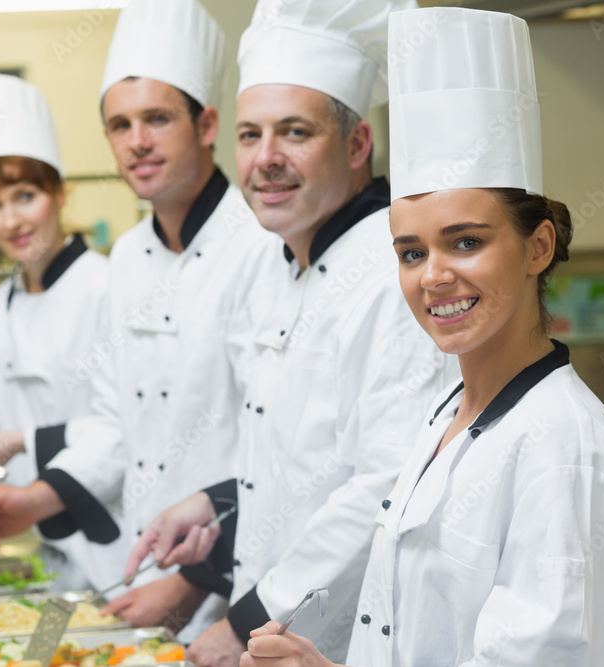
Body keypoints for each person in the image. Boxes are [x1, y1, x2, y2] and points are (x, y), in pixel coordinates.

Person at [240, 8, 604, 667]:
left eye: (467, 241)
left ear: (538, 246)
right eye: (411, 252)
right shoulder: (447, 414)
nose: (436, 275)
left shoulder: (562, 453)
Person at [112, 1, 456, 665]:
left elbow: (386, 487)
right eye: (249, 135)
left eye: (295, 132)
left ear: (357, 145)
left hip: (340, 640)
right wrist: (213, 506)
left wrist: (246, 621)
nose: (266, 158)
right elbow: (292, 467)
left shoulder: (397, 274)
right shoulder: (276, 268)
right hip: (274, 629)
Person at [0, 0, 275, 638]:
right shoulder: (129, 256)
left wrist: (194, 584)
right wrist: (32, 500)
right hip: (134, 566)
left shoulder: (261, 246)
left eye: (157, 118)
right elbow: (112, 421)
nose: (137, 142)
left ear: (207, 124)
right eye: (120, 124)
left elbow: (278, 452)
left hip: (239, 586)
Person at [0, 71, 126, 590]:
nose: (10, 222)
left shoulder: (107, 286)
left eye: (25, 196)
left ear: (59, 193)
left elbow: (124, 430)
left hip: (114, 543)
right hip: (38, 547)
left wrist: (19, 442)